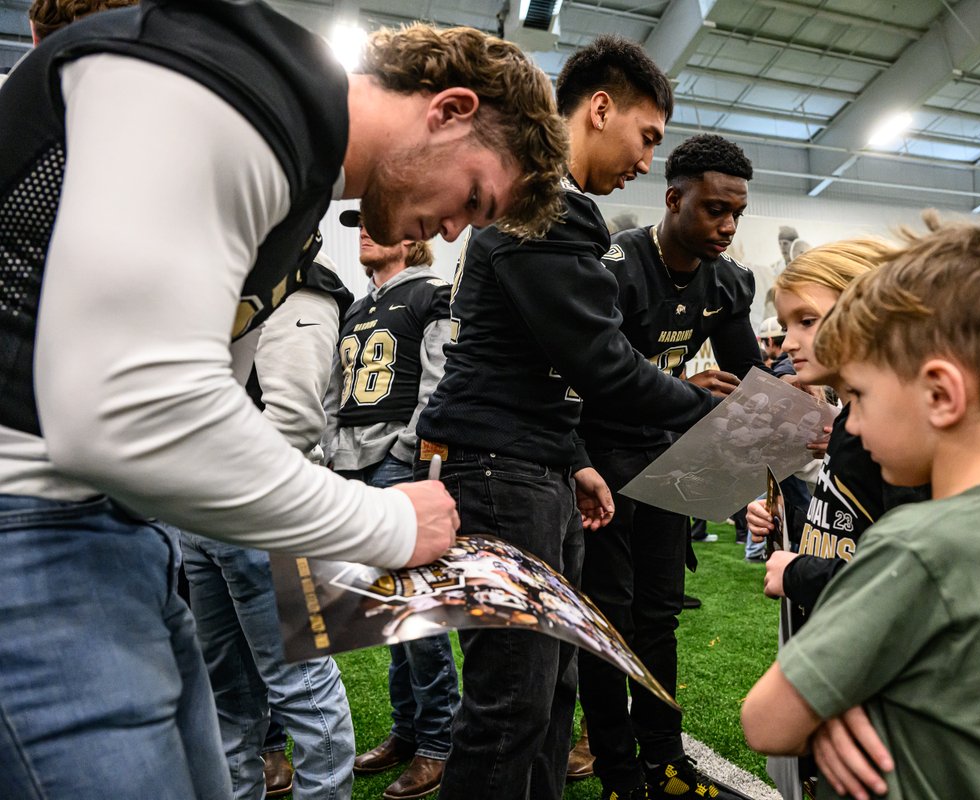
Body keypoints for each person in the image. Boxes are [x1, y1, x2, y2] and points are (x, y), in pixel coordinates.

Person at [0, 1, 567, 794]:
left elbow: (204, 399)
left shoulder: (294, 159)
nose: (446, 234)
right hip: (30, 520)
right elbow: (132, 413)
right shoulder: (231, 83)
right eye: (472, 199)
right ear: (449, 111)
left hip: (105, 524)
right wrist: (384, 522)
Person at [414, 36, 723, 800]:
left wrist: (572, 456)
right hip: (500, 471)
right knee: (512, 702)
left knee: (549, 695)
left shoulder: (555, 207)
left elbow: (544, 363)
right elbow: (602, 364)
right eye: (648, 137)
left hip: (530, 464)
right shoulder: (540, 201)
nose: (649, 162)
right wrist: (722, 419)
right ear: (600, 107)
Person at [741, 215, 980, 800]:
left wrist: (826, 713)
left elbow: (767, 721)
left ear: (940, 394)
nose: (852, 420)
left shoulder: (920, 545)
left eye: (863, 395)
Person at [576, 133, 760, 800]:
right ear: (674, 198)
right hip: (598, 464)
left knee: (659, 618)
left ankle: (663, 758)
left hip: (666, 460)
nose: (728, 226)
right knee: (607, 623)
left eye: (737, 212)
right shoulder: (612, 268)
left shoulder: (728, 279)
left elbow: (750, 381)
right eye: (715, 210)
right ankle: (619, 771)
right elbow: (578, 377)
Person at [743, 239, 926, 800]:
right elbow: (854, 524)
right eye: (785, 323)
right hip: (839, 658)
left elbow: (909, 585)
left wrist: (797, 571)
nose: (789, 342)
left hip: (882, 691)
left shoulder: (895, 431)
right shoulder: (851, 422)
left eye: (807, 321)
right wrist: (786, 526)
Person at [180, 252, 358, 800]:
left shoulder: (301, 282)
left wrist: (220, 494)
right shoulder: (242, 270)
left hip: (252, 514)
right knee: (229, 699)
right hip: (205, 512)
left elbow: (295, 417)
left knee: (301, 694)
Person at [330, 212, 460, 800]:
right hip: (352, 462)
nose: (362, 231)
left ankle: (438, 740)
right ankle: (408, 730)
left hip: (394, 458)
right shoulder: (355, 307)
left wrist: (409, 450)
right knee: (386, 609)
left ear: (412, 237)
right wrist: (332, 451)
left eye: (376, 223)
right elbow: (335, 389)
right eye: (358, 224)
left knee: (415, 610)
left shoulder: (432, 295)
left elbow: (440, 380)